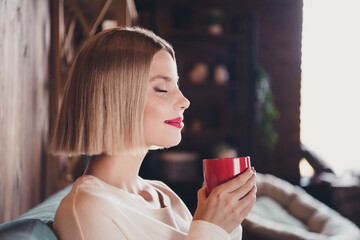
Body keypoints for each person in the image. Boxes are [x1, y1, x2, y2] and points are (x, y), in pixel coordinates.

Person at [50, 27, 257, 240]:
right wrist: (211, 228)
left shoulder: (163, 194)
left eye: (177, 85)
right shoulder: (89, 210)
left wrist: (225, 223)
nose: (184, 101)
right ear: (116, 99)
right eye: (162, 89)